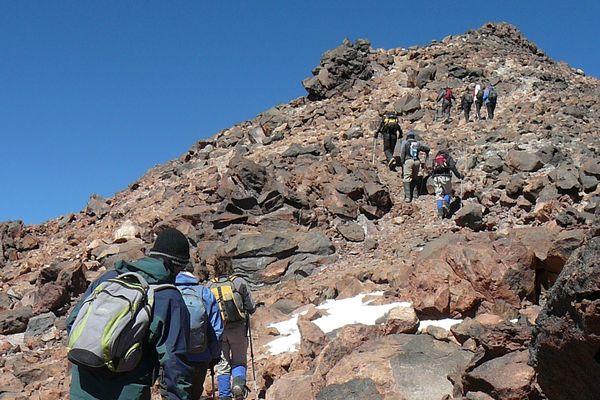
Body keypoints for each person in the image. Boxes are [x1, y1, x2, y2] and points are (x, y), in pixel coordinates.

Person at [66, 228, 194, 400]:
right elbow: (174, 359)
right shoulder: (168, 297)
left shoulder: (108, 278)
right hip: (128, 391)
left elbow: (73, 322)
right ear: (175, 265)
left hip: (82, 387)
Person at [207, 255, 256, 400]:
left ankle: (224, 396)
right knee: (239, 361)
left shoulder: (209, 286)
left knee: (222, 365)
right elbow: (251, 307)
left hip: (218, 331)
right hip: (238, 329)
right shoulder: (239, 282)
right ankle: (238, 386)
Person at [175, 270, 224, 400]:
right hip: (200, 357)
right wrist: (214, 356)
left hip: (174, 359)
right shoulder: (204, 292)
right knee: (195, 395)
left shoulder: (168, 291)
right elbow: (217, 330)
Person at [394, 131, 430, 203]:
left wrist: (402, 162)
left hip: (408, 161)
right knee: (415, 177)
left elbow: (402, 153)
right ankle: (415, 194)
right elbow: (426, 148)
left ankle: (408, 197)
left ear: (407, 137)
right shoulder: (418, 143)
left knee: (406, 178)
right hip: (417, 161)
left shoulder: (405, 142)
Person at [431, 149, 464, 218]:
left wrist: (433, 177)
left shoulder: (435, 159)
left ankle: (440, 212)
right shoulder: (448, 157)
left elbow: (432, 169)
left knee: (439, 195)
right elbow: (452, 167)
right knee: (448, 193)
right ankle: (446, 204)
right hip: (445, 177)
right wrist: (459, 176)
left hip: (436, 178)